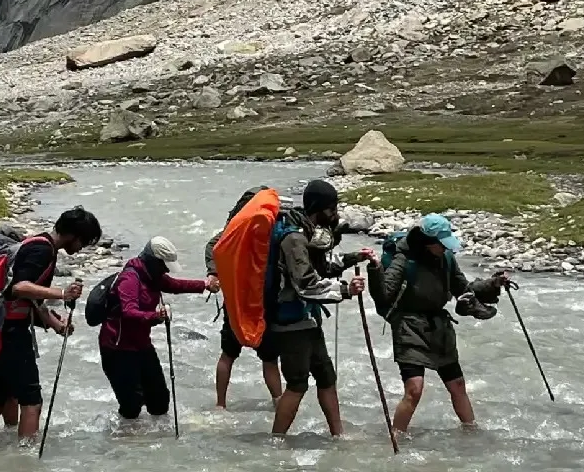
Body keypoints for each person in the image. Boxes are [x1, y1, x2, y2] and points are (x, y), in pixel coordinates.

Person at [367, 214, 512, 436]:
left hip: (439, 328)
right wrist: (374, 269)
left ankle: (472, 434)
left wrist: (494, 283)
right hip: (409, 327)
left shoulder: (447, 259)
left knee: (458, 385)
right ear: (427, 241)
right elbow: (383, 294)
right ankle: (396, 438)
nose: (446, 248)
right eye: (442, 244)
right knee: (414, 389)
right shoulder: (403, 259)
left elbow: (464, 290)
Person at [0, 207, 104, 441]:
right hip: (9, 332)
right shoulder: (43, 250)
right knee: (32, 400)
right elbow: (19, 288)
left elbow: (29, 298)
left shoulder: (36, 242)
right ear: (73, 235)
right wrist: (63, 293)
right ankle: (27, 458)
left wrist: (54, 324)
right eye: (83, 241)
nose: (82, 247)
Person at [269, 179, 374, 437]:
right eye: (331, 208)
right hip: (290, 322)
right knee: (297, 384)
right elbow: (306, 284)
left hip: (309, 319)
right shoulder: (293, 238)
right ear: (317, 207)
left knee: (327, 378)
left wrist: (353, 258)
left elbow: (323, 267)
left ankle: (339, 435)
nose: (334, 214)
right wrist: (346, 291)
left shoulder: (308, 232)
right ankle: (276, 442)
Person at [100, 236, 220, 421]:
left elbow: (175, 285)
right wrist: (155, 316)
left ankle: (156, 443)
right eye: (164, 265)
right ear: (153, 261)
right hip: (117, 348)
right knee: (131, 406)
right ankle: (124, 442)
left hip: (141, 345)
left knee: (159, 401)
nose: (165, 270)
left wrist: (205, 284)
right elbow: (129, 312)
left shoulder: (152, 276)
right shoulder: (130, 279)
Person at [205, 186, 284, 408]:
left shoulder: (235, 227)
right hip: (262, 300)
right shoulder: (272, 225)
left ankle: (220, 404)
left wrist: (214, 271)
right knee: (269, 359)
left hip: (237, 300)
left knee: (228, 354)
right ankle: (278, 402)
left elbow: (214, 246)